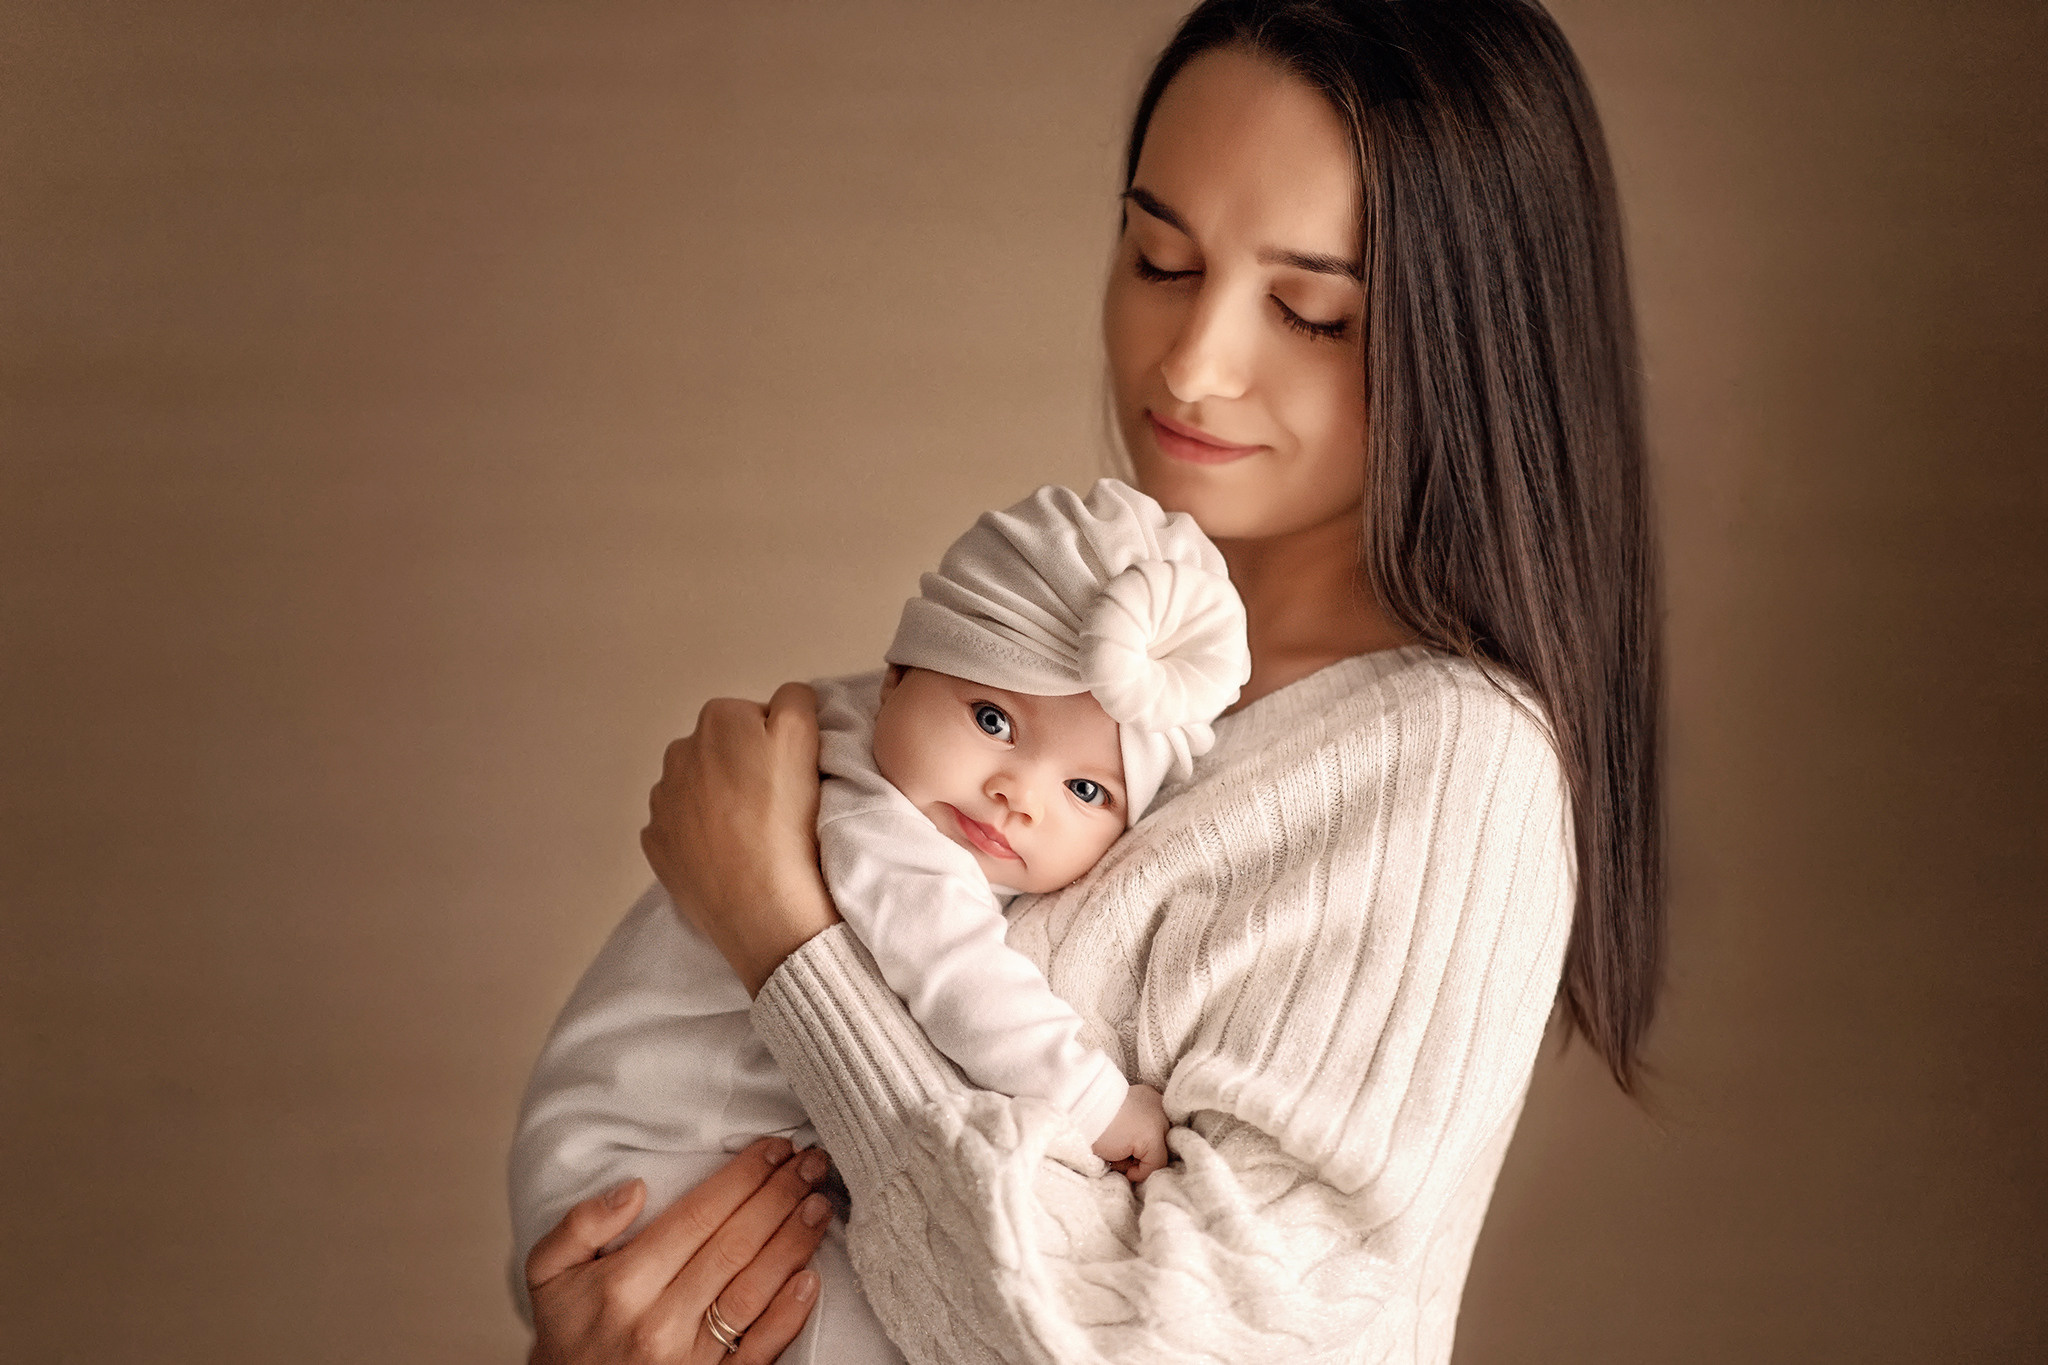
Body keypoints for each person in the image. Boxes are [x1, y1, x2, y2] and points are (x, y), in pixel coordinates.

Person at [520, 1, 1662, 1361]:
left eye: (1310, 311)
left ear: (1472, 350)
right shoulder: (1076, 653)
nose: (1191, 363)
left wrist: (787, 937)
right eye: (1161, 259)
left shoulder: (1453, 775)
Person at [508, 480, 1253, 1354]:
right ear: (900, 672)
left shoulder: (909, 779)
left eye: (1086, 789)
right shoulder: (867, 810)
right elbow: (955, 976)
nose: (1018, 795)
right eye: (992, 718)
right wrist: (1100, 1102)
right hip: (646, 1163)